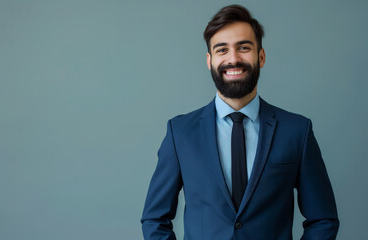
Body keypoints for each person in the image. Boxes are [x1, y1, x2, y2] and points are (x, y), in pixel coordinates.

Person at [141, 4, 339, 240]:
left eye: (243, 48)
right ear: (209, 60)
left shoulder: (297, 131)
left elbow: (323, 219)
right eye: (222, 50)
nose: (233, 59)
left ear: (261, 56)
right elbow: (155, 219)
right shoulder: (180, 133)